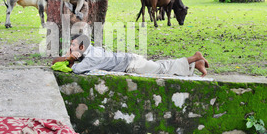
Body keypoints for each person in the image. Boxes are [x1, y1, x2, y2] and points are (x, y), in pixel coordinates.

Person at [51, 34, 209, 77]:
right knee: (160, 65)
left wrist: (68, 58)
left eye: (72, 46)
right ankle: (195, 63)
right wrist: (70, 57)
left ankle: (194, 58)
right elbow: (54, 62)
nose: (70, 49)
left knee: (162, 69)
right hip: (131, 60)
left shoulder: (91, 57)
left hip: (132, 64)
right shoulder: (89, 51)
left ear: (82, 47)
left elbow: (77, 70)